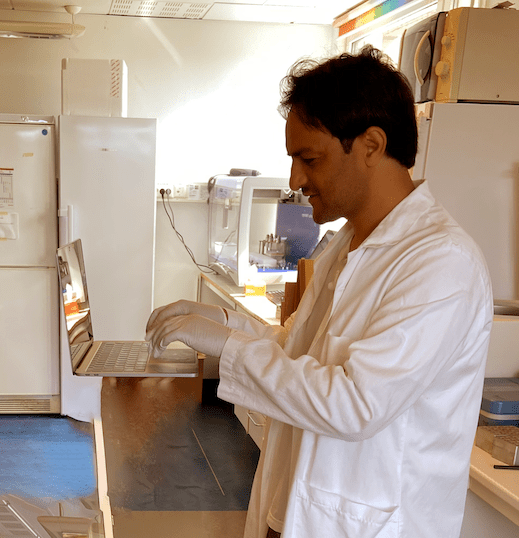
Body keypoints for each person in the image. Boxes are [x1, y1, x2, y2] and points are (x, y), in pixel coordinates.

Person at [145, 46, 493, 538]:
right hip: (297, 508)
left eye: (309, 159)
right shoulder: (349, 242)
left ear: (371, 145)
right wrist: (223, 324)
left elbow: (355, 404)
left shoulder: (440, 262)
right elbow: (297, 348)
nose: (295, 180)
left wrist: (229, 345)